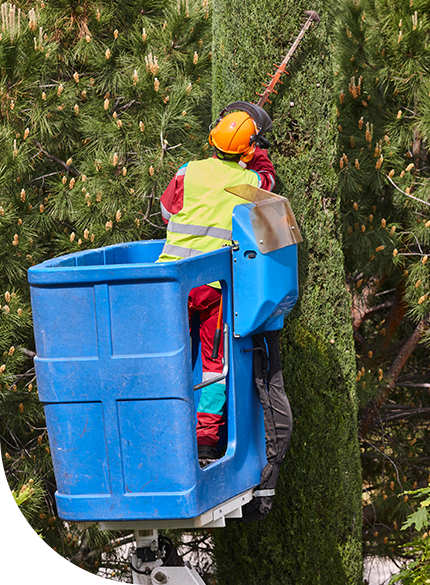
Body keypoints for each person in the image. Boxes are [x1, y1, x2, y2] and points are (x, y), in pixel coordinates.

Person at [158, 101, 276, 461]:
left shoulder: (186, 170)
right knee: (213, 364)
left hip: (171, 285)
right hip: (213, 290)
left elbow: (167, 211)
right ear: (249, 150)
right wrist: (258, 155)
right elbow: (269, 181)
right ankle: (206, 441)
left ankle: (163, 432)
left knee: (169, 359)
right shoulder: (248, 180)